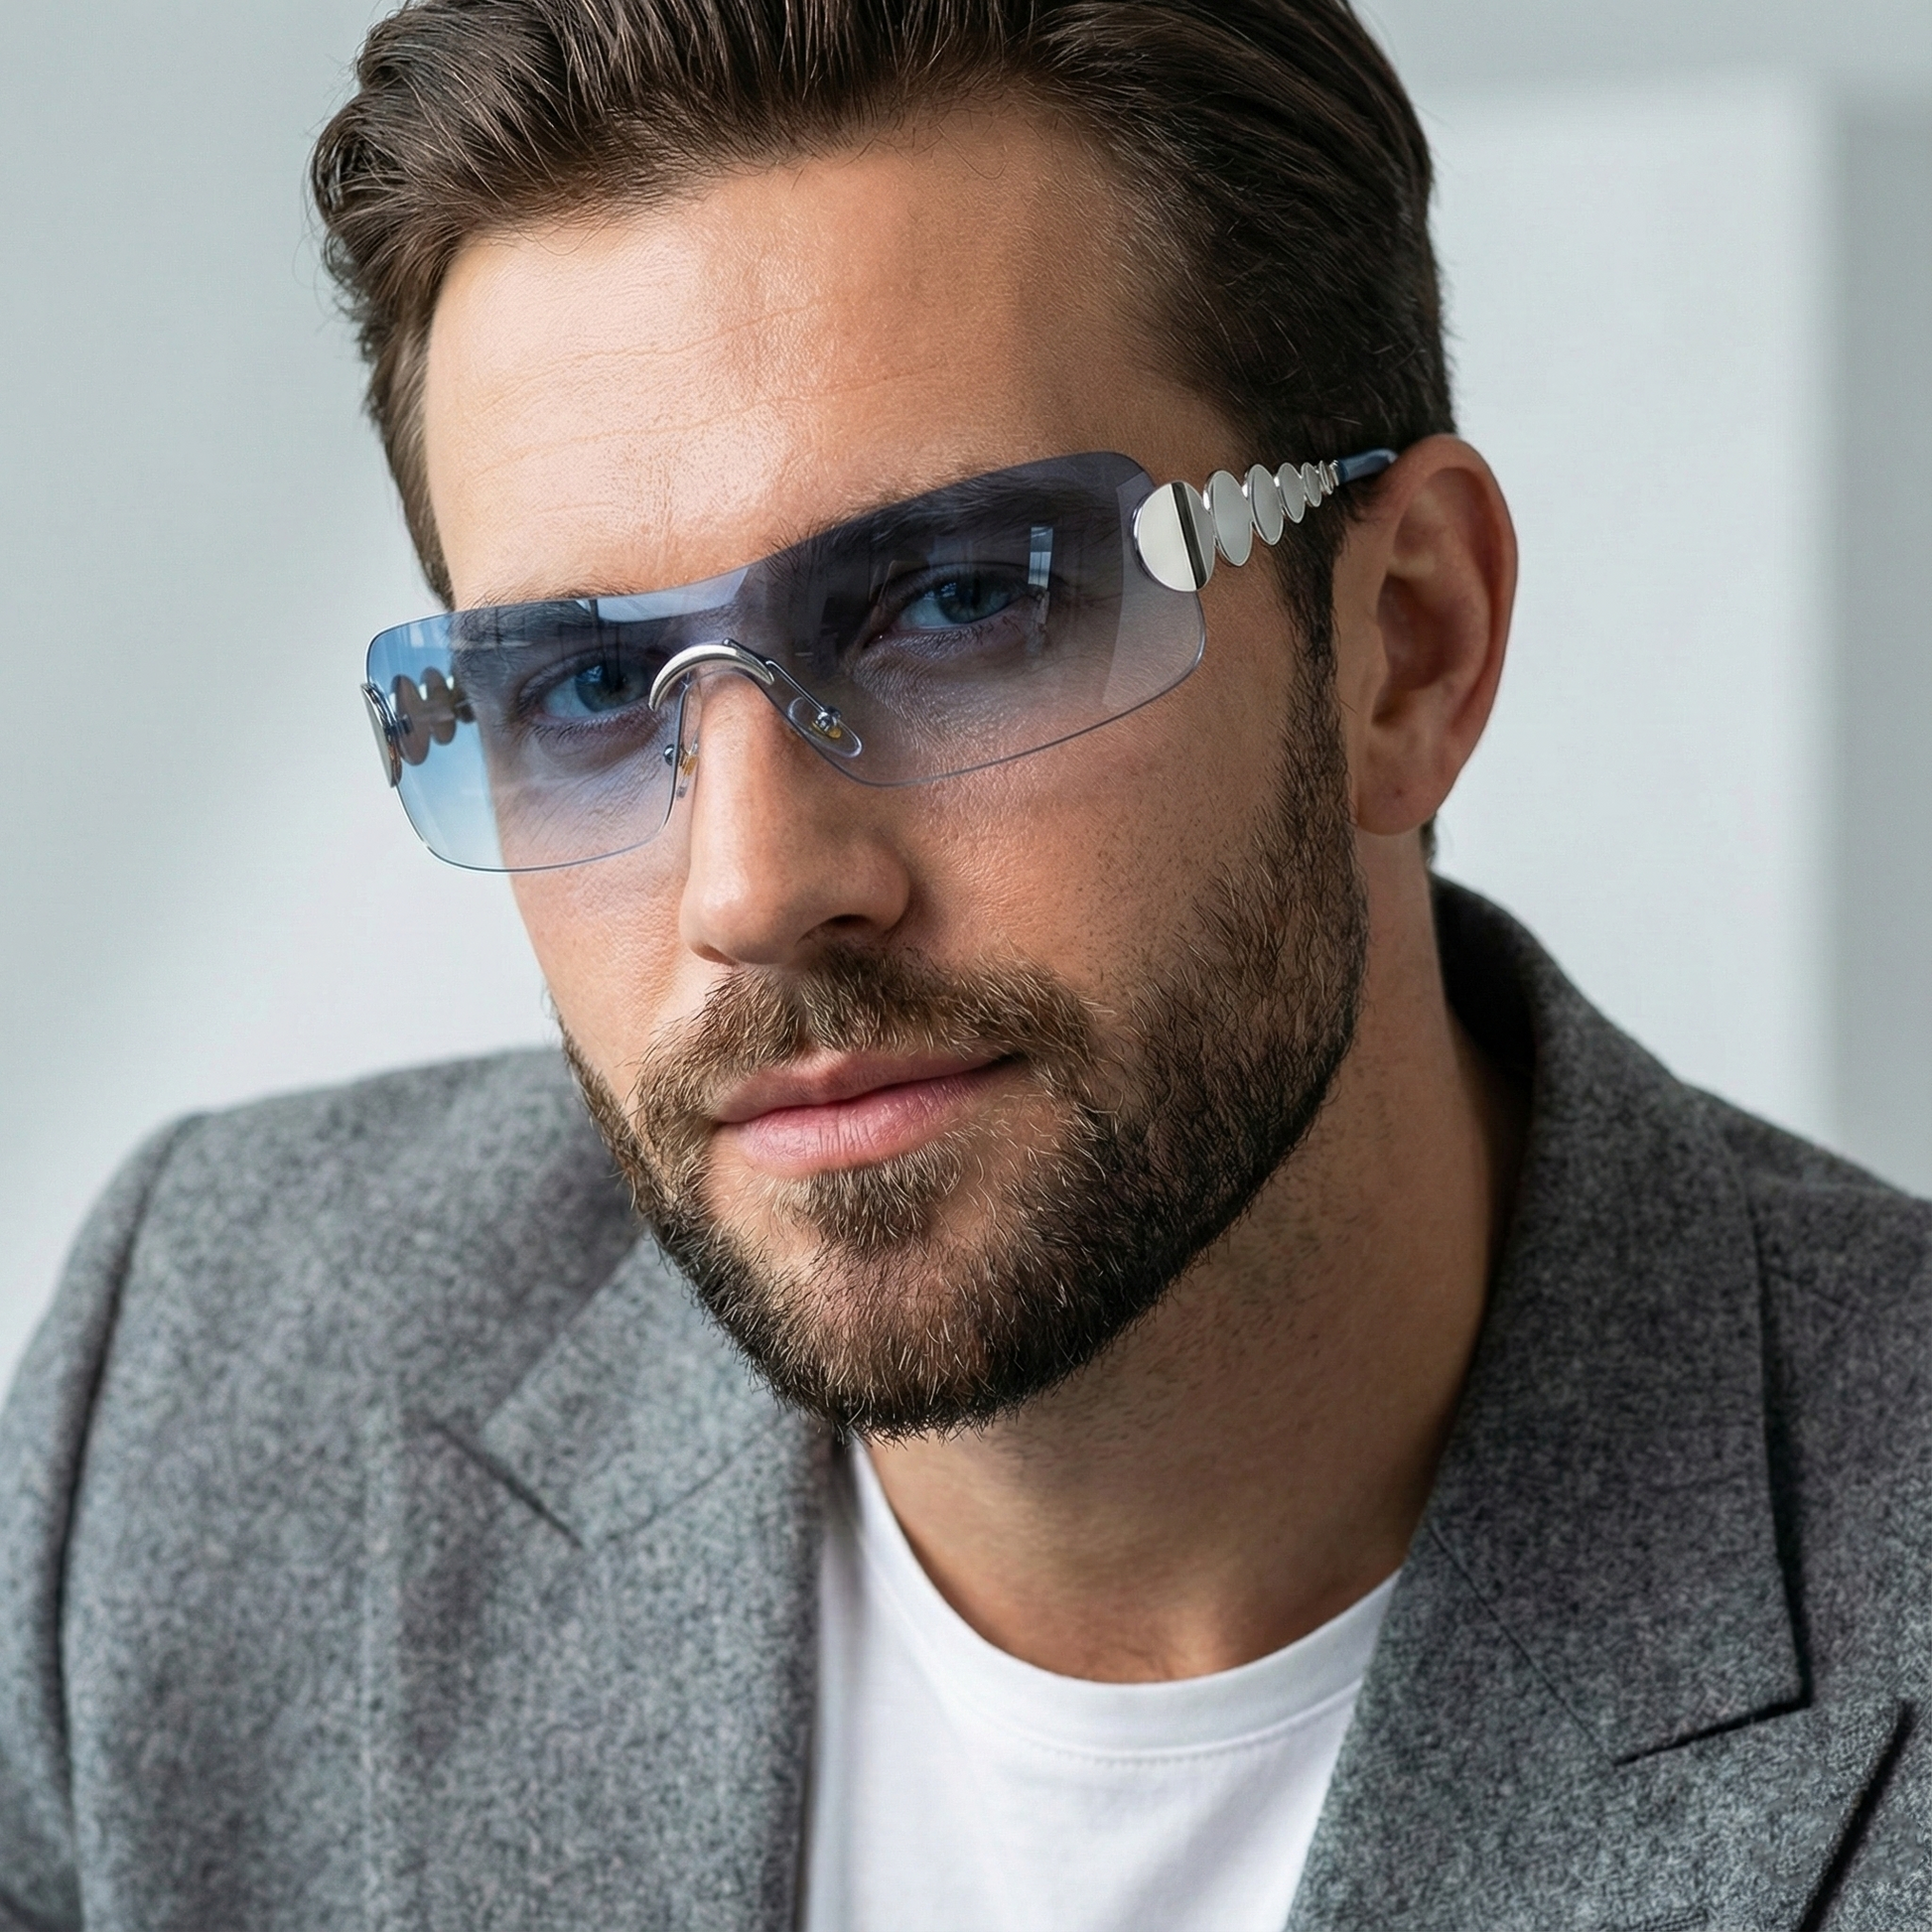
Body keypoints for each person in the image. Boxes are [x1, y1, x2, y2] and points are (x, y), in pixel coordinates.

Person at [2, 0, 1928, 1925]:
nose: (751, 890)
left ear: (1405, 644)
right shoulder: (199, 1378)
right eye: (587, 686)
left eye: (961, 600)